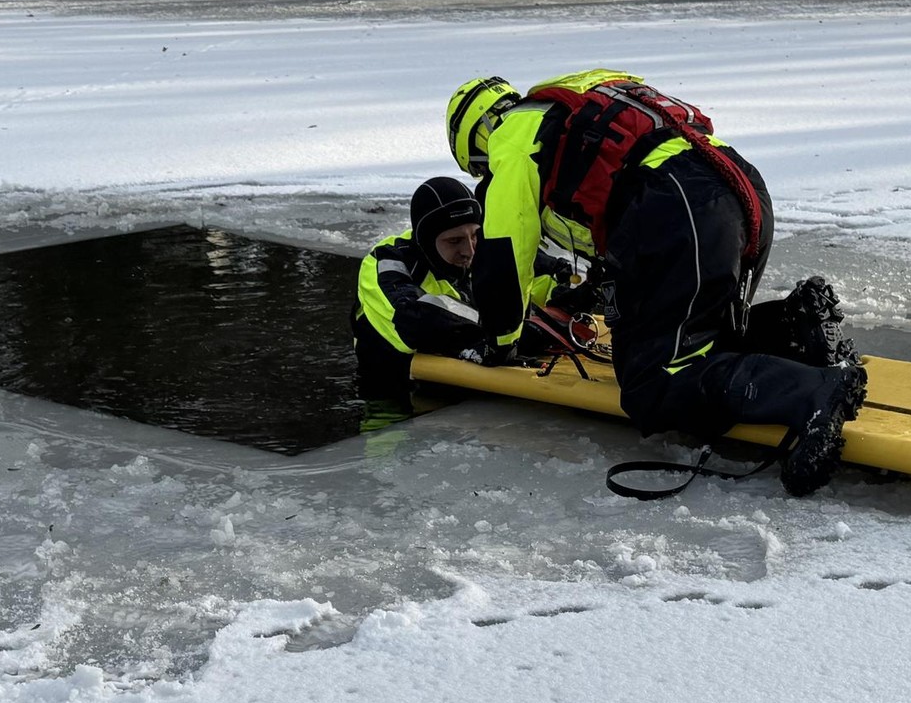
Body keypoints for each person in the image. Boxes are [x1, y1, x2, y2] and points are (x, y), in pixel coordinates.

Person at [445, 69, 867, 496]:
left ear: (478, 137)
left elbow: (504, 251)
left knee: (655, 382)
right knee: (702, 338)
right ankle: (792, 325)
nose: (486, 177)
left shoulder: (511, 138)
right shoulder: (580, 97)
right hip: (736, 186)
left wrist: (500, 341)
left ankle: (812, 394)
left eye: (480, 170)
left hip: (676, 209)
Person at [352, 176, 580, 433]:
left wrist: (568, 297)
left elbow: (538, 276)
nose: (469, 250)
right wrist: (510, 331)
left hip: (472, 397)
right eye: (454, 241)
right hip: (394, 400)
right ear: (426, 240)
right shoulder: (386, 261)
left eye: (475, 235)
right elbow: (413, 318)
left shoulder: (479, 249)